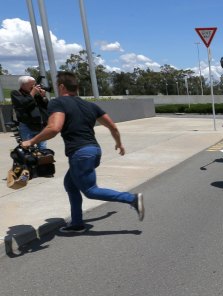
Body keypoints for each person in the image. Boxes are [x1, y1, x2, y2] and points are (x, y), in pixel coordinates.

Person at [20, 72, 144, 233]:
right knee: (70, 184)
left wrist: (31, 141)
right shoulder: (91, 105)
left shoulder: (58, 103)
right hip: (93, 151)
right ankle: (77, 223)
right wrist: (119, 144)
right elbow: (112, 126)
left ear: (62, 87)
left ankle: (132, 199)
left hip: (80, 154)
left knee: (90, 191)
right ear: (77, 88)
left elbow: (54, 128)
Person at [11, 76, 49, 149]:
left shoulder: (36, 95)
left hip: (40, 125)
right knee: (28, 148)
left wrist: (43, 97)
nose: (34, 86)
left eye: (34, 84)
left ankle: (43, 159)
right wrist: (32, 93)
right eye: (32, 84)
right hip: (26, 126)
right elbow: (23, 104)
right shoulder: (16, 93)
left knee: (43, 148)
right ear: (23, 85)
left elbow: (46, 107)